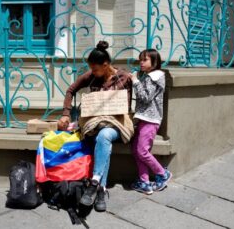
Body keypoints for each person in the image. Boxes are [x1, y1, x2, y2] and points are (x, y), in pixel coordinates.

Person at [58, 41, 133, 212]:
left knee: (105, 135)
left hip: (117, 122)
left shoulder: (124, 78)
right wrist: (65, 113)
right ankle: (100, 188)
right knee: (101, 136)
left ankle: (94, 181)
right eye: (91, 68)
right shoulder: (91, 76)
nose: (93, 72)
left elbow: (125, 107)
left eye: (96, 68)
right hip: (94, 123)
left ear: (106, 65)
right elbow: (71, 90)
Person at [130, 49, 172, 195]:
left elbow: (145, 97)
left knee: (142, 151)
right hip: (144, 118)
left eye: (145, 60)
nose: (141, 62)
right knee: (136, 150)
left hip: (151, 120)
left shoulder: (154, 77)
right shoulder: (149, 76)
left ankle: (162, 173)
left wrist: (135, 81)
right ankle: (144, 182)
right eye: (140, 59)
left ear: (154, 62)